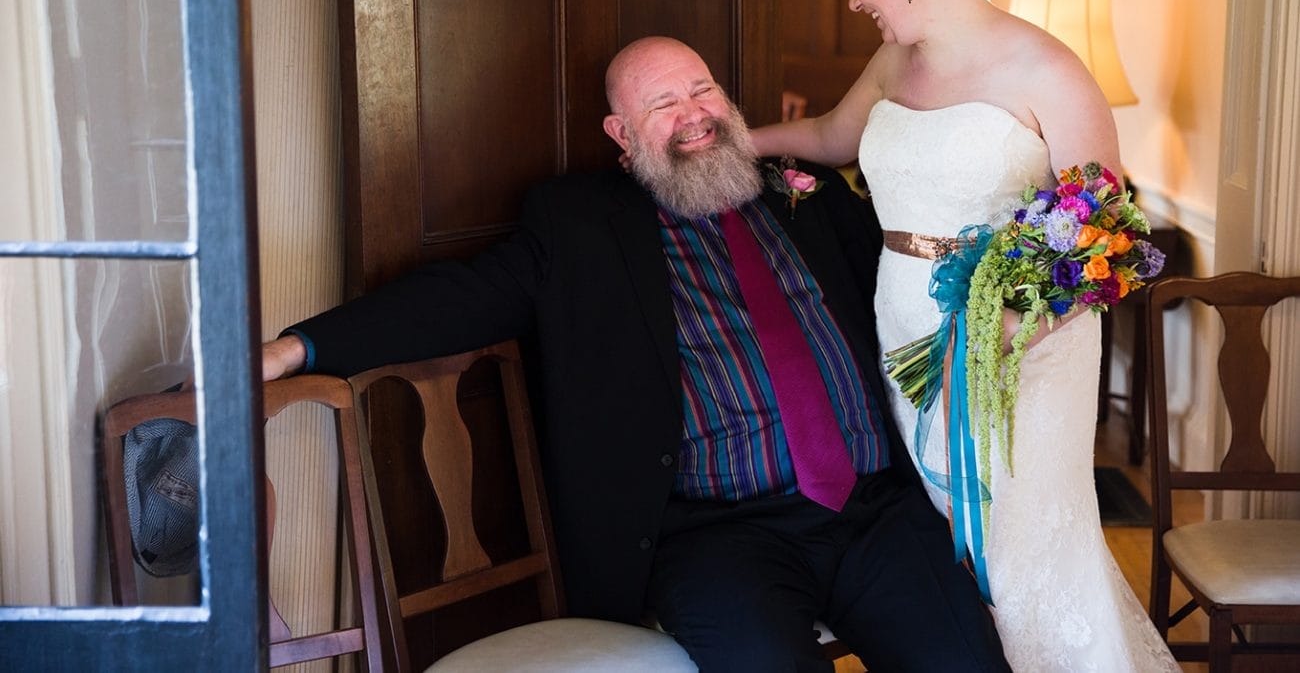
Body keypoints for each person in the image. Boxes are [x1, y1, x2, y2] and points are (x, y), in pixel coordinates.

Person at [262, 35, 1010, 672]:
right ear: (621, 136)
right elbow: (452, 297)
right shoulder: (580, 225)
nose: (694, 116)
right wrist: (299, 346)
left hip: (873, 509)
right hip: (721, 535)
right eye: (663, 106)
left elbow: (909, 266)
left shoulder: (800, 195)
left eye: (703, 90)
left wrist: (1021, 282)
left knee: (969, 658)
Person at [750, 0, 1179, 672]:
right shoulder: (892, 63)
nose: (854, 0)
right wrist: (741, 141)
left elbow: (1108, 239)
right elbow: (832, 140)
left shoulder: (1047, 70)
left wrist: (1010, 322)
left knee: (1015, 549)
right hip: (903, 330)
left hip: (1020, 349)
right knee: (931, 550)